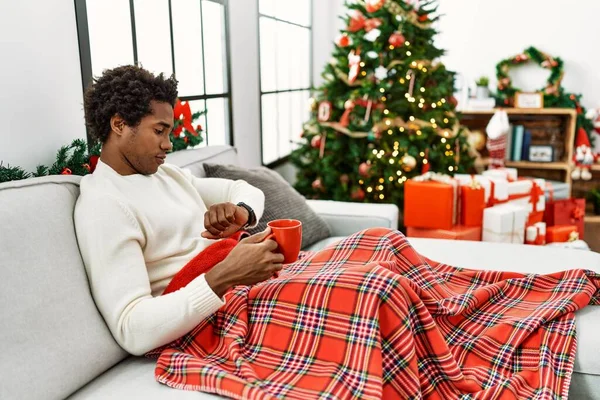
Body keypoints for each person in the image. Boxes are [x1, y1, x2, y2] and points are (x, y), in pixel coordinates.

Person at [74, 65, 284, 355]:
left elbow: (245, 190)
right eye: (159, 131)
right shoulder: (104, 205)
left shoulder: (168, 175)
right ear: (119, 125)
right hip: (215, 316)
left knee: (369, 247)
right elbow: (131, 328)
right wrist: (225, 275)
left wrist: (241, 212)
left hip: (242, 288)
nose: (167, 144)